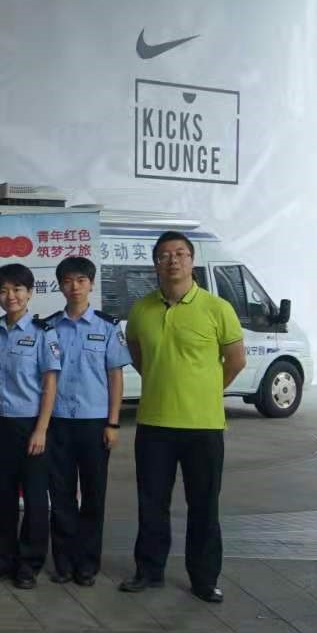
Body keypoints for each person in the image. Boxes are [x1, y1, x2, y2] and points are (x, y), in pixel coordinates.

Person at [120, 231, 246, 604]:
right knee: (151, 502)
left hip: (203, 426)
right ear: (155, 264)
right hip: (154, 423)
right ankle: (149, 571)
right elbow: (138, 355)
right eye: (164, 255)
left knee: (204, 505)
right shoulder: (141, 310)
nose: (172, 260)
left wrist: (205, 390)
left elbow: (236, 360)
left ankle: (204, 579)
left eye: (180, 254)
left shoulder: (217, 308)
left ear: (192, 261)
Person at [44, 257, 130, 586]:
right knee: (61, 495)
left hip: (95, 423)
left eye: (81, 280)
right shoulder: (49, 327)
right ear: (60, 286)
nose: (75, 287)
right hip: (58, 422)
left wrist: (113, 423)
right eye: (68, 281)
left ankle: (88, 563)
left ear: (91, 284)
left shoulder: (107, 327)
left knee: (94, 495)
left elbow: (115, 377)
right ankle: (64, 562)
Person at [0, 263, 60, 589]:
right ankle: (4, 558)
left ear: (30, 292)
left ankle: (29, 563)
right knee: (2, 496)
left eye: (17, 289)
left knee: (36, 498)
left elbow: (50, 384)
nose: (10, 296)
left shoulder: (43, 333)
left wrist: (41, 429)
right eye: (3, 290)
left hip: (30, 425)